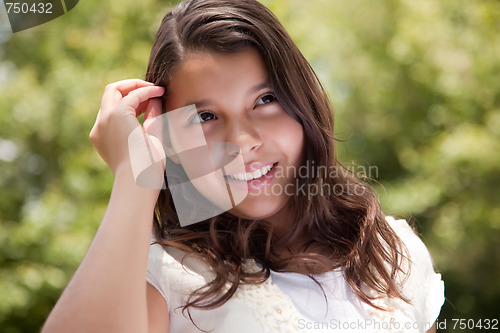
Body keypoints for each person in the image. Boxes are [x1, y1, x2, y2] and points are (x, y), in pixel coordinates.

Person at [42, 0, 444, 332]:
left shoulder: (393, 253)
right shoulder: (164, 278)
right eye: (204, 118)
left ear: (302, 99)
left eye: (265, 99)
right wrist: (135, 176)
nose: (242, 142)